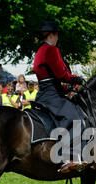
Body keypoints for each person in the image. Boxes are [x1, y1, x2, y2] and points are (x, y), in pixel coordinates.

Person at [33, 20, 87, 173]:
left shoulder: (40, 50)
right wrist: (75, 79)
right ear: (51, 35)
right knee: (75, 117)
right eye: (56, 34)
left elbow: (51, 77)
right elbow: (60, 74)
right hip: (51, 95)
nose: (57, 38)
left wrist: (66, 87)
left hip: (46, 92)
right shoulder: (51, 50)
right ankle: (67, 158)